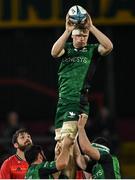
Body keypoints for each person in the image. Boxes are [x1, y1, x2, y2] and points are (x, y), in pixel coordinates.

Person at [51, 11, 113, 178]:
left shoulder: (92, 50)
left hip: (77, 101)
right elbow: (54, 52)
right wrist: (66, 31)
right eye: (78, 36)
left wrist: (91, 27)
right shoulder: (67, 49)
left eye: (85, 36)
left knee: (68, 142)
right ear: (73, 36)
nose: (82, 39)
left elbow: (108, 46)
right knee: (61, 149)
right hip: (62, 102)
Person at [77, 114, 121, 179]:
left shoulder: (108, 158)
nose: (89, 156)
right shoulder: (96, 165)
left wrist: (81, 128)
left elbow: (86, 149)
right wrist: (73, 138)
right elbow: (78, 158)